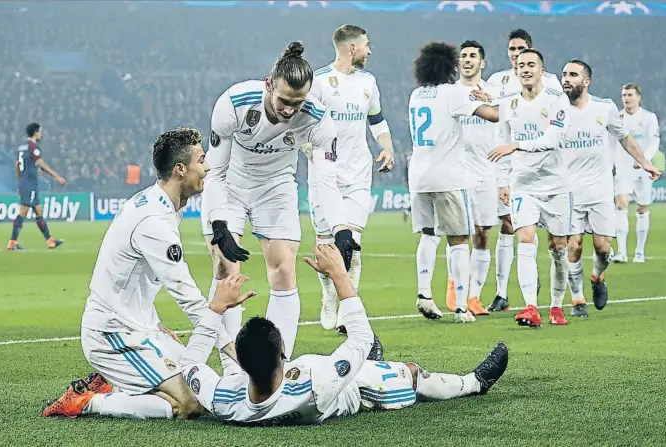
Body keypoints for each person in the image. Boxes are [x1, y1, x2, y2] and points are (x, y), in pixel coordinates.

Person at [178, 244, 509, 426]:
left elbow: (190, 363)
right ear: (282, 353)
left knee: (354, 358)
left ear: (241, 362)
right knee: (409, 372)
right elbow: (360, 339)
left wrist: (216, 308)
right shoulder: (315, 381)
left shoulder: (224, 398)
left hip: (310, 378)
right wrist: (339, 274)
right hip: (355, 392)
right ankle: (475, 383)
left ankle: (365, 363)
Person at [43, 127, 237, 420]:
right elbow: (186, 296)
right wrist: (233, 349)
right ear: (180, 170)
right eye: (201, 160)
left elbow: (136, 280)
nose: (207, 167)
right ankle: (89, 401)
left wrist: (154, 325)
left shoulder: (158, 203)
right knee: (189, 405)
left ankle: (118, 381)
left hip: (139, 328)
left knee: (201, 384)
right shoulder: (153, 222)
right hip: (112, 334)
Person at [200, 41, 359, 365]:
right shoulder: (235, 102)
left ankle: (278, 365)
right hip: (230, 183)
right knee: (226, 269)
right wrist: (219, 224)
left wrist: (340, 228)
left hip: (277, 186)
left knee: (285, 269)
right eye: (285, 101)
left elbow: (326, 178)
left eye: (297, 103)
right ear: (269, 84)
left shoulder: (316, 117)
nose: (290, 110)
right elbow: (214, 172)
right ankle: (232, 367)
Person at [519, 61, 659, 318]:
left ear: (586, 81)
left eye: (573, 75)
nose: (566, 79)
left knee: (603, 248)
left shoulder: (604, 108)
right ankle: (577, 299)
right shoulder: (554, 109)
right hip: (568, 190)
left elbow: (624, 137)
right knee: (574, 245)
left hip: (601, 190)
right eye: (564, 74)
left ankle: (597, 277)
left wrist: (645, 162)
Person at [309, 24, 395, 332]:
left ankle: (347, 311)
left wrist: (386, 146)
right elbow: (302, 122)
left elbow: (376, 119)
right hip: (325, 174)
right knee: (326, 246)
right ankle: (328, 295)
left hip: (359, 174)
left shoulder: (368, 82)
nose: (370, 51)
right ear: (352, 49)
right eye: (367, 45)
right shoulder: (318, 83)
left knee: (352, 245)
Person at [407, 42, 498, 323]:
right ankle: (461, 308)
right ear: (449, 66)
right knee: (458, 241)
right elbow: (494, 115)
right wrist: (489, 99)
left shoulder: (415, 95)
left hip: (419, 176)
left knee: (428, 234)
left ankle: (424, 295)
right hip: (448, 176)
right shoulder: (452, 92)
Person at [487, 49, 573, 327]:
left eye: (531, 65)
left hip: (555, 185)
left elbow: (553, 139)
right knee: (525, 238)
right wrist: (503, 181)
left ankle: (557, 306)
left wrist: (518, 145)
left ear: (541, 70)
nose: (525, 69)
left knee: (558, 246)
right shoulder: (508, 103)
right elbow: (502, 143)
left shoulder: (557, 100)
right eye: (521, 65)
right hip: (523, 183)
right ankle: (531, 307)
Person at [439, 40, 502, 316]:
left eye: (473, 56)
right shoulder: (449, 93)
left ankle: (474, 295)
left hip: (486, 171)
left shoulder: (494, 92)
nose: (467, 60)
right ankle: (456, 286)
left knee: (483, 234)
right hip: (456, 171)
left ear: (482, 62)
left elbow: (504, 125)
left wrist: (503, 179)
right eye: (463, 56)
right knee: (458, 234)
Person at [612, 83, 661, 264]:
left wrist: (643, 160)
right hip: (623, 169)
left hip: (643, 170)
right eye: (624, 95)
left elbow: (654, 143)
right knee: (621, 204)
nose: (626, 98)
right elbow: (611, 144)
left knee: (642, 209)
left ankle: (639, 251)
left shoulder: (649, 118)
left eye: (630, 95)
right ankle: (622, 252)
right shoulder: (616, 117)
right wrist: (610, 164)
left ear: (638, 97)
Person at [7, 123, 66, 251]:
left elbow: (17, 165)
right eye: (40, 131)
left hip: (25, 183)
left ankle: (50, 241)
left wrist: (20, 182)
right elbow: (41, 164)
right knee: (23, 211)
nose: (41, 134)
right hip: (29, 184)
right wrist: (57, 176)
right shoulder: (33, 147)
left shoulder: (21, 147)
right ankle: (12, 242)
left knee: (38, 211)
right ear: (35, 132)